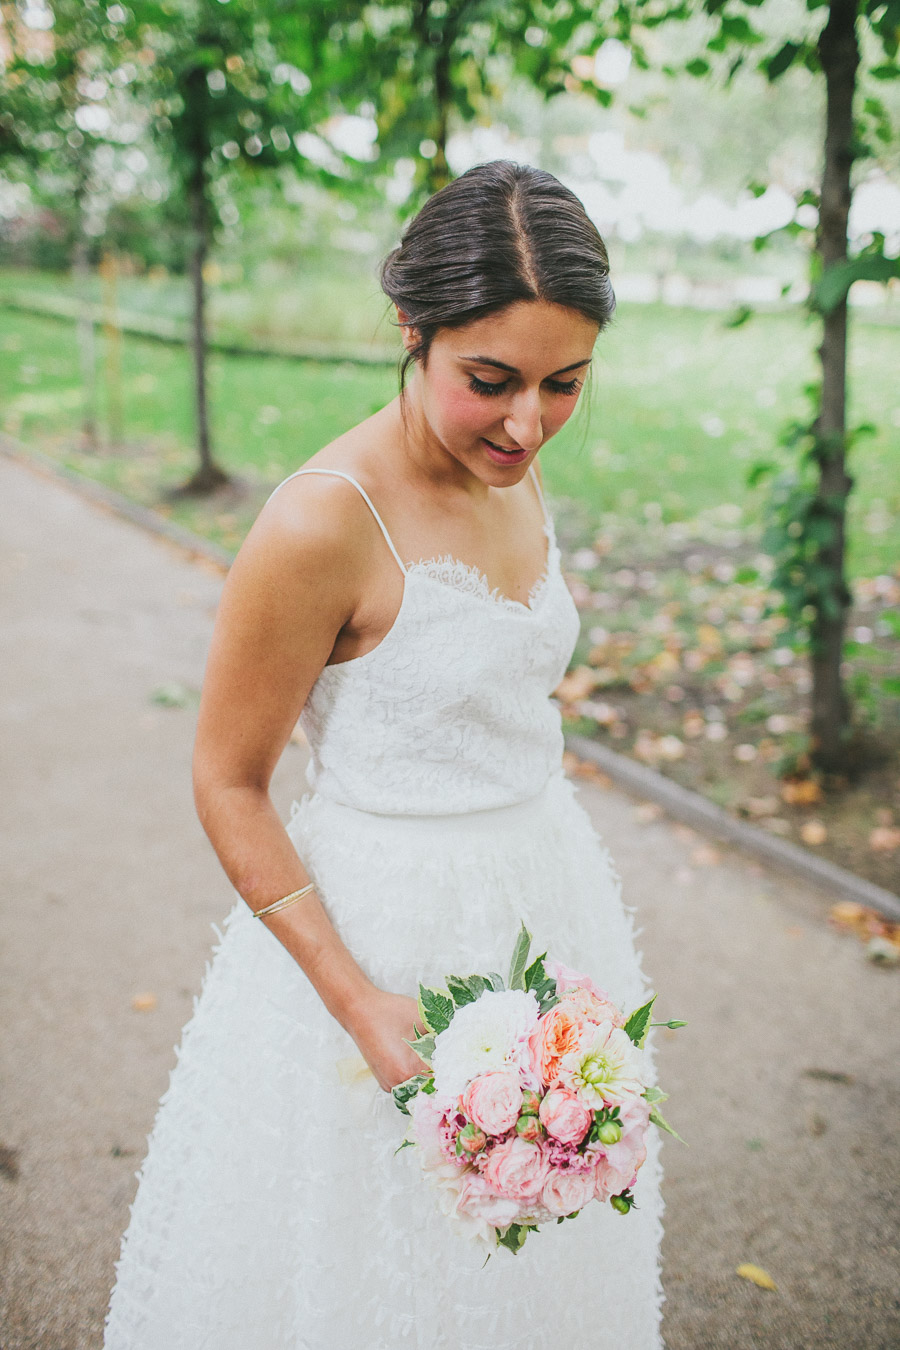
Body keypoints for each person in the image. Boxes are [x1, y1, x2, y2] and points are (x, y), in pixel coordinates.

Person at [104, 160, 665, 1350]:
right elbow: (228, 780)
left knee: (534, 1273)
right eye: (491, 381)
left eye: (566, 384)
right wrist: (357, 1001)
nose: (528, 423)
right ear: (411, 329)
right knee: (370, 1274)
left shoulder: (510, 459)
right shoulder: (321, 523)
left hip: (542, 898)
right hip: (375, 942)